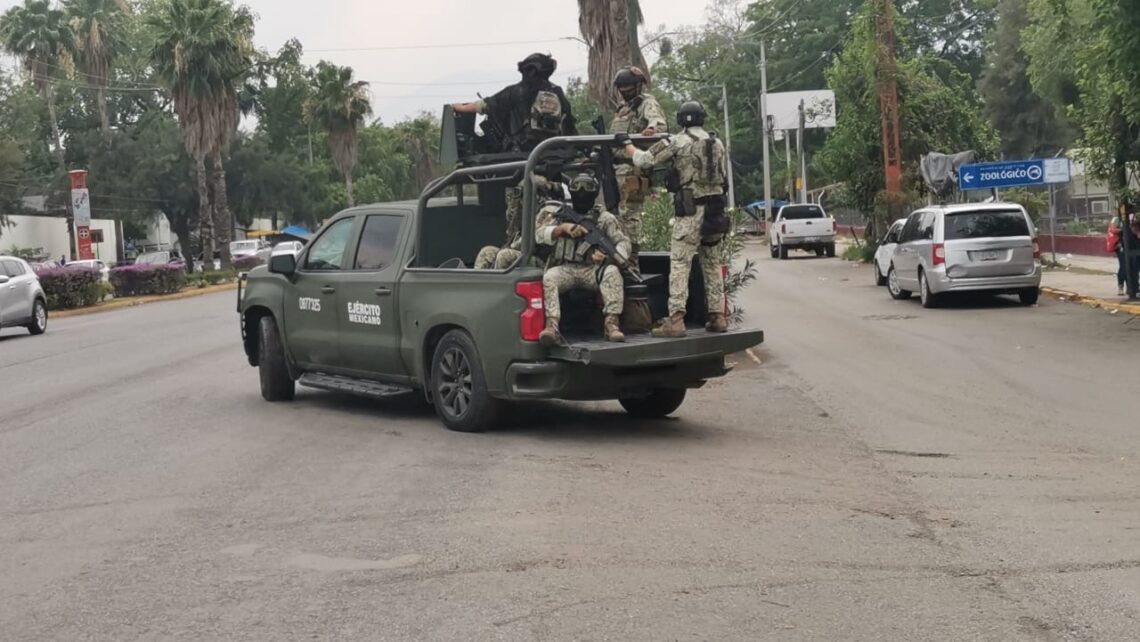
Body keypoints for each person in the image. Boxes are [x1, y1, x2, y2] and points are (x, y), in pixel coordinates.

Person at [619, 101, 729, 338]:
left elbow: (644, 160)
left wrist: (627, 144)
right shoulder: (717, 142)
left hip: (690, 211)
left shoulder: (677, 141)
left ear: (680, 119)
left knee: (680, 263)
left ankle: (676, 319)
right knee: (712, 263)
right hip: (716, 212)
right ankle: (717, 316)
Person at [535, 174, 631, 346]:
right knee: (549, 277)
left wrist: (607, 257)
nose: (581, 195)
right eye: (577, 191)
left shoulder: (604, 219)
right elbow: (539, 235)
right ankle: (552, 326)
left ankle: (611, 324)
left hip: (591, 270)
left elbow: (624, 243)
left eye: (586, 191)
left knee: (612, 272)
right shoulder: (560, 214)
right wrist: (562, 228)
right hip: (566, 268)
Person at [609, 66, 668, 268]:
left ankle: (632, 261)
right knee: (613, 217)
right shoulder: (622, 109)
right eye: (621, 87)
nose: (624, 90)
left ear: (638, 86)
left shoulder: (646, 103)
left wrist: (651, 129)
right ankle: (618, 259)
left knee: (629, 216)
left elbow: (659, 125)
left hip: (632, 169)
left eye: (628, 86)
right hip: (615, 168)